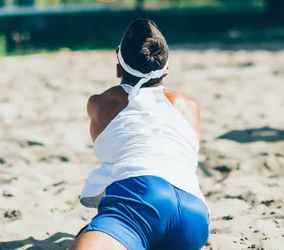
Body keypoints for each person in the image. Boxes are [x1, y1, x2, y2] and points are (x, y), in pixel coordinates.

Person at [70, 18, 209, 250]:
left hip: (141, 196)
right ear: (166, 70)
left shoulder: (101, 104)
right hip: (194, 215)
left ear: (118, 62)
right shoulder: (189, 107)